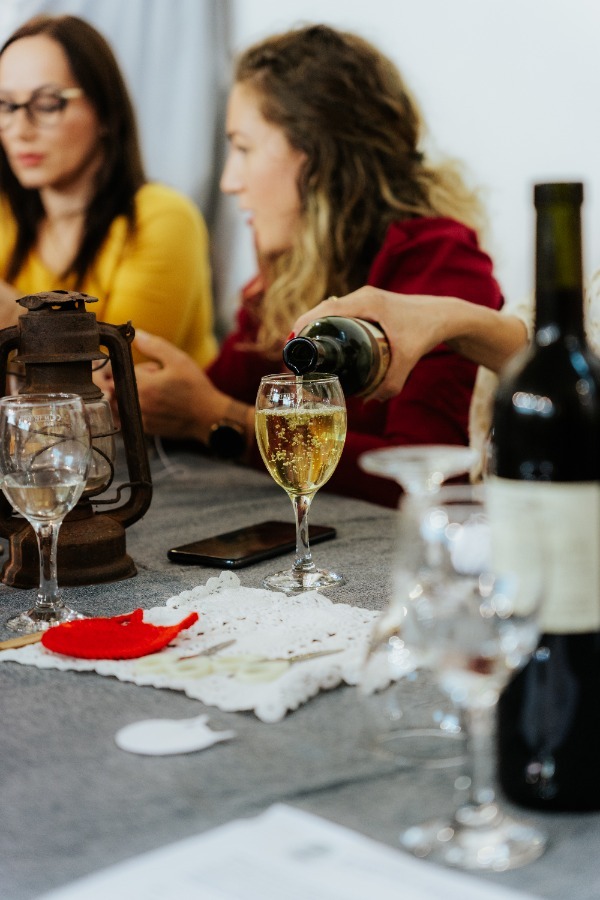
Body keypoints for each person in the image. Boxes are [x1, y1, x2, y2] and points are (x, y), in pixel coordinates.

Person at [129, 24, 503, 508]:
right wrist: (152, 394)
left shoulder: (441, 262)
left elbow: (427, 475)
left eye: (243, 148)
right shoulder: (293, 273)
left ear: (317, 157)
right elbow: (209, 397)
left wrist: (219, 419)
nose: (229, 181)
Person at [0, 14, 217, 367]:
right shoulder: (6, 215)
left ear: (104, 111)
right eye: (6, 106)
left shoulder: (162, 218)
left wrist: (13, 317)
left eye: (48, 103)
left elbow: (117, 374)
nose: (20, 129)